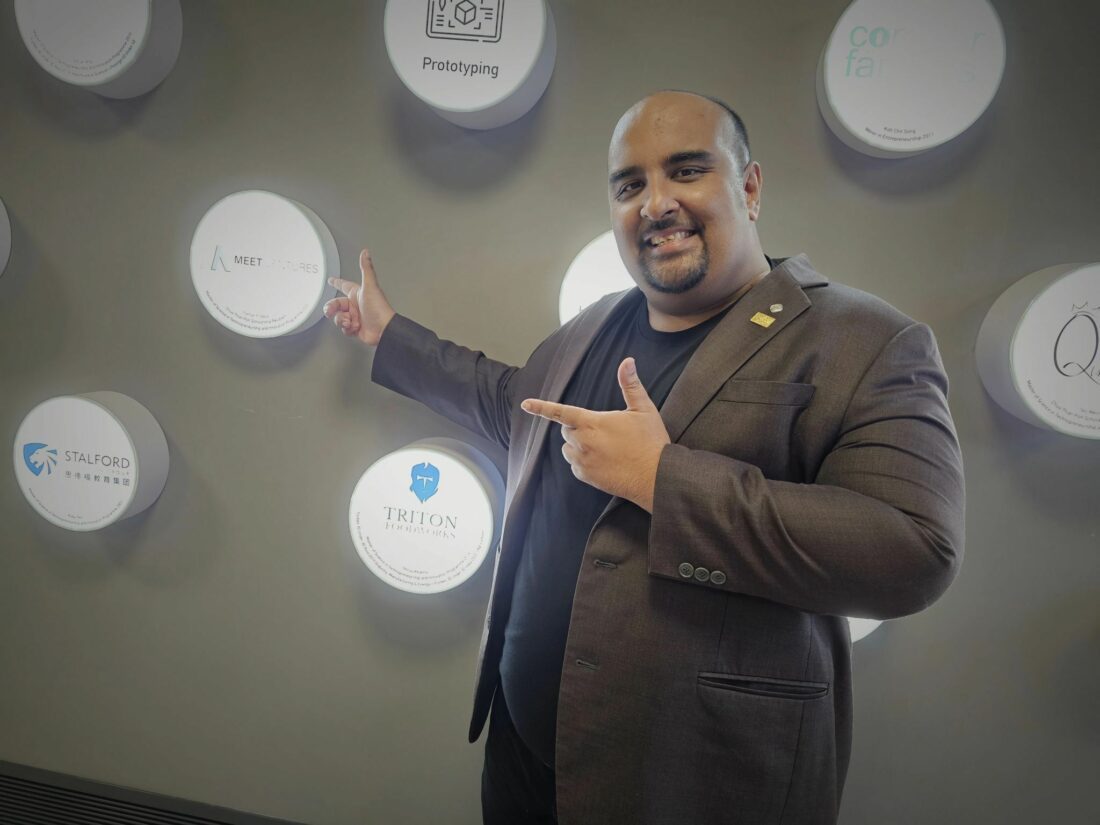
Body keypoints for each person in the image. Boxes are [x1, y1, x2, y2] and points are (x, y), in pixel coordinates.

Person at [324, 91, 965, 825]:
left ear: (750, 187)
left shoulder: (863, 339)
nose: (656, 203)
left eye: (686, 171)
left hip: (691, 789)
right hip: (523, 759)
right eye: (630, 185)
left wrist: (663, 481)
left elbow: (913, 549)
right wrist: (390, 335)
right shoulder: (592, 325)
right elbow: (514, 406)